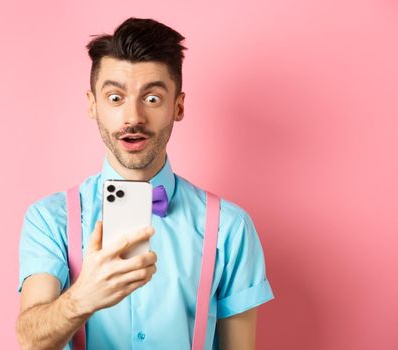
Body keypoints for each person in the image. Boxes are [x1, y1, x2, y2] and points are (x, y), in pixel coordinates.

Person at [15, 17, 274, 350]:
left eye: (151, 98)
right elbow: (30, 341)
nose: (133, 117)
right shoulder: (50, 219)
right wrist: (80, 298)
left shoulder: (229, 227)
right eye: (115, 98)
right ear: (93, 105)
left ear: (177, 106)